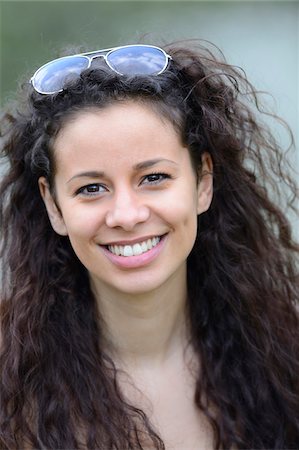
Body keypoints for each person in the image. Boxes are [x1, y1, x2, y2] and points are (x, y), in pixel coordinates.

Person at [0, 41, 298, 450]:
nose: (126, 214)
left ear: (203, 182)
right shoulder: (10, 391)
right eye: (91, 188)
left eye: (154, 178)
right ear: (54, 206)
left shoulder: (286, 360)